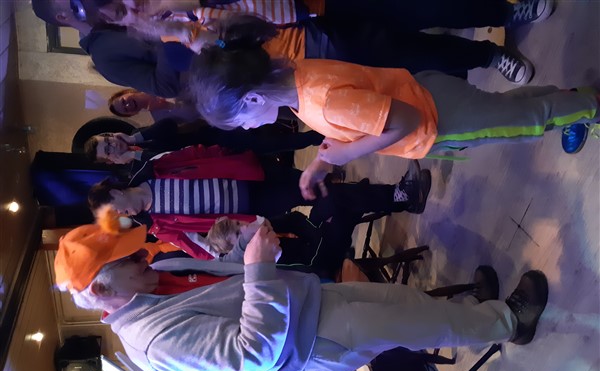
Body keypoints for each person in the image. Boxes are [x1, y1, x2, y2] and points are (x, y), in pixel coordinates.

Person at [54, 221, 549, 371]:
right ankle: (509, 321)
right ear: (100, 290)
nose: (144, 253)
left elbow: (228, 286)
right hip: (315, 339)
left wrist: (240, 247)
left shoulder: (154, 278)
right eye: (127, 258)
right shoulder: (153, 344)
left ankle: (478, 315)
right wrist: (257, 269)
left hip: (311, 299)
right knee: (421, 325)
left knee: (407, 303)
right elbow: (253, 352)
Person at [186, 15, 599, 198]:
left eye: (241, 122)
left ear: (252, 99)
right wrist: (324, 162)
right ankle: (573, 101)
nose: (248, 129)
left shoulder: (323, 103)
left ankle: (589, 107)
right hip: (427, 92)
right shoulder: (296, 77)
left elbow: (404, 121)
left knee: (523, 123)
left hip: (440, 119)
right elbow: (357, 117)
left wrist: (347, 154)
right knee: (509, 110)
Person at [32, 0, 554, 100]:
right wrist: (191, 35)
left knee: (414, 6)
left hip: (309, 3)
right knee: (407, 53)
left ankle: (505, 11)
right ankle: (487, 57)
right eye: (108, 11)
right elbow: (189, 73)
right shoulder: (146, 37)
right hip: (302, 41)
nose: (119, 8)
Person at [86, 158, 431, 260]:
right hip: (250, 212)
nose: (122, 217)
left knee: (319, 186)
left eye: (114, 211)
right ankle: (398, 196)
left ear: (115, 192)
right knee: (322, 195)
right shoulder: (158, 225)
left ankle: (394, 197)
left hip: (249, 174)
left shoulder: (154, 168)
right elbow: (202, 250)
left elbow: (199, 153)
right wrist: (232, 243)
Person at [84, 116, 322, 166]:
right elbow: (167, 160)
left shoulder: (138, 135)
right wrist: (135, 155)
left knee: (270, 143)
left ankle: (317, 137)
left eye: (108, 140)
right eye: (108, 150)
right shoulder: (136, 169)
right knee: (269, 154)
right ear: (110, 161)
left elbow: (168, 125)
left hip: (215, 137)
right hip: (214, 164)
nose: (113, 145)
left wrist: (134, 137)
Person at [206, 211, 361, 278]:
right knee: (340, 216)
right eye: (238, 234)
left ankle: (363, 194)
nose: (244, 228)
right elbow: (310, 264)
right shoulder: (266, 258)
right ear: (235, 250)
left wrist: (317, 230)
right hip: (320, 263)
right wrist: (321, 233)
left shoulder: (260, 229)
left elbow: (294, 218)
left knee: (328, 206)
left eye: (238, 223)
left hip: (316, 243)